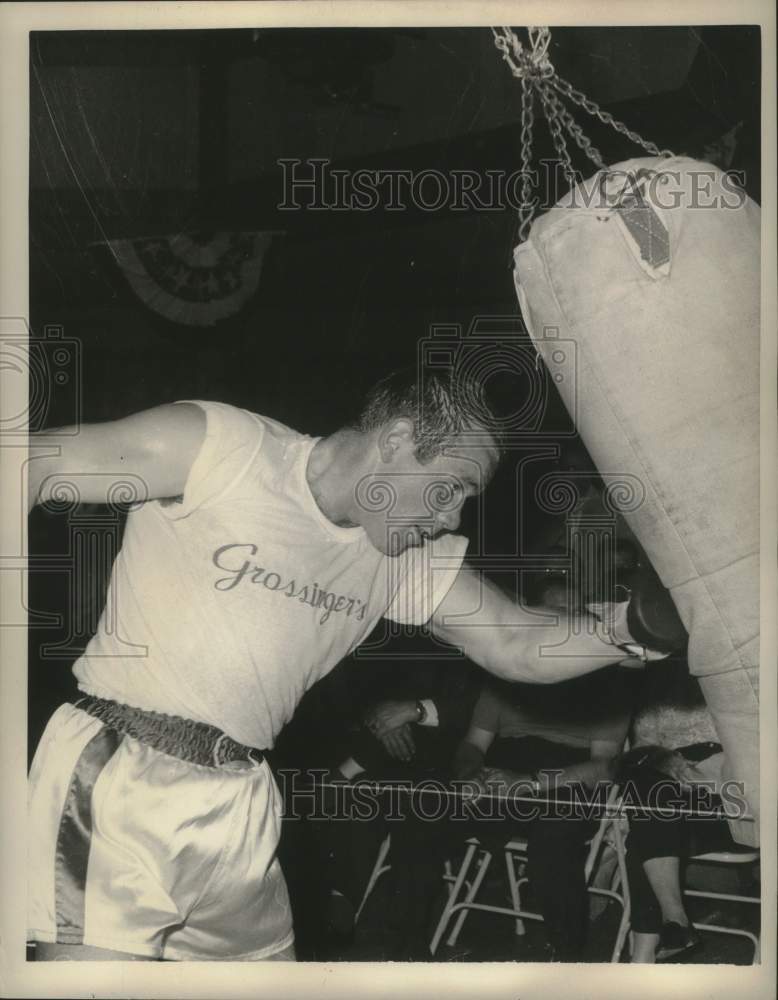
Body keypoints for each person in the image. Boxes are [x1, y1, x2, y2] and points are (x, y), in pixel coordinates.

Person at [26, 365, 649, 962]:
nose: (453, 517)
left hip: (241, 794)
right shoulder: (224, 448)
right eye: (453, 486)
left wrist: (644, 623)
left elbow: (515, 640)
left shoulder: (403, 551)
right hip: (122, 772)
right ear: (398, 440)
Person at [619, 660, 753, 963]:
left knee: (642, 836)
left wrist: (713, 771)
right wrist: (663, 759)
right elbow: (637, 749)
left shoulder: (740, 675)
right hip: (672, 798)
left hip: (730, 797)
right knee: (645, 787)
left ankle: (650, 948)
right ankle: (672, 923)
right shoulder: (659, 683)